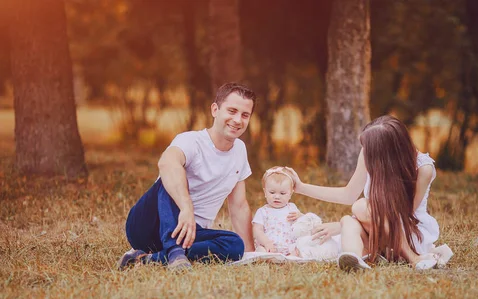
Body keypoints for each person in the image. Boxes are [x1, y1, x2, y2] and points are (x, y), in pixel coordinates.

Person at [117, 82, 256, 271]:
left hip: (191, 233)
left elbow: (239, 205)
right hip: (148, 225)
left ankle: (149, 259)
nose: (238, 119)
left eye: (245, 115)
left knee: (234, 244)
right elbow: (166, 163)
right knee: (170, 177)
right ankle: (174, 251)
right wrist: (186, 207)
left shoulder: (240, 150)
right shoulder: (191, 140)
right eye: (232, 111)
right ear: (215, 110)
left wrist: (251, 252)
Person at [290, 115, 446, 271]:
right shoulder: (369, 152)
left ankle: (414, 258)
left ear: (388, 151)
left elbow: (405, 214)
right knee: (348, 220)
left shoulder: (423, 168)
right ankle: (354, 259)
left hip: (406, 232)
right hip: (375, 229)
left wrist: (341, 226)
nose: (365, 153)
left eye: (369, 150)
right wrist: (301, 187)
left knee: (360, 206)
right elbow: (348, 194)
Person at [252, 166, 303, 254]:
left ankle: (290, 258)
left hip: (289, 246)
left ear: (290, 194)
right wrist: (266, 243)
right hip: (268, 246)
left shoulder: (292, 208)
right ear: (265, 192)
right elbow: (257, 230)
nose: (277, 196)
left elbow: (303, 222)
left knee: (299, 249)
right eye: (272, 192)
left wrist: (300, 216)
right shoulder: (263, 211)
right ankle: (268, 258)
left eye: (282, 193)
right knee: (261, 251)